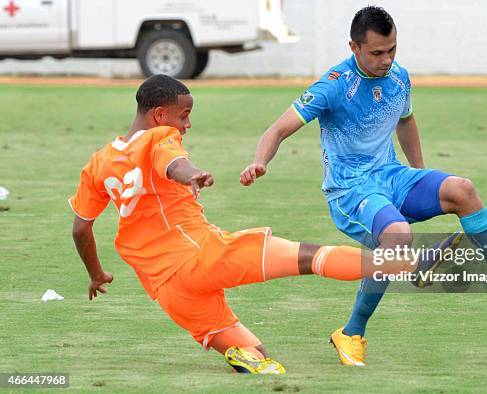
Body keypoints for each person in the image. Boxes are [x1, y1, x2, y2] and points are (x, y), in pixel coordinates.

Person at [240, 6, 487, 366]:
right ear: (354, 47)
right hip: (350, 190)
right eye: (377, 53)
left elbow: (406, 120)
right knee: (397, 236)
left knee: (461, 190)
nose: (386, 60)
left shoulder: (399, 77)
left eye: (392, 50)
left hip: (391, 176)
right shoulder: (333, 85)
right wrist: (259, 162)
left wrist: (420, 173)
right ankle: (352, 332)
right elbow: (277, 129)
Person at [69, 74, 442, 374]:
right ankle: (413, 264)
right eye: (183, 115)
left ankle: (246, 357)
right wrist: (192, 174)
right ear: (160, 115)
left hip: (166, 289)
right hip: (203, 256)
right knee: (311, 257)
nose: (187, 124)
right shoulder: (159, 136)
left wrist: (96, 274)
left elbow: (80, 228)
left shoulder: (98, 163)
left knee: (256, 354)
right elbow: (171, 162)